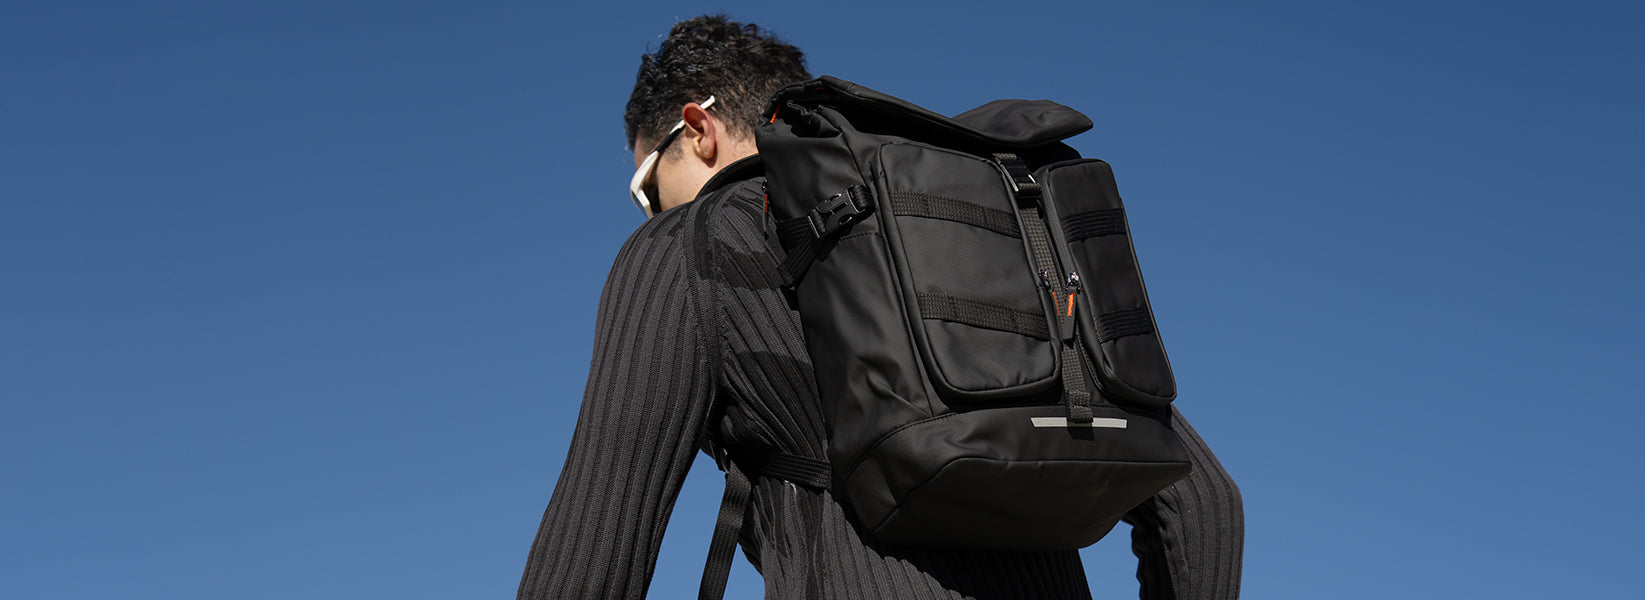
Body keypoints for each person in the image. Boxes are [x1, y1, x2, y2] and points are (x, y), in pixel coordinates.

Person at [516, 15, 1244, 599]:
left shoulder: (686, 245)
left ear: (697, 129)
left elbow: (596, 546)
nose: (648, 211)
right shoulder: (961, 231)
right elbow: (1204, 503)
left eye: (646, 186)